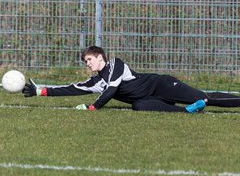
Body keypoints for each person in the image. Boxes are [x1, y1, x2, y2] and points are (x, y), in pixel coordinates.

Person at [22, 45, 240, 113]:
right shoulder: (95, 81)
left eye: (89, 59)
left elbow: (111, 90)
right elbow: (71, 88)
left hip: (161, 85)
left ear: (100, 57)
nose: (87, 64)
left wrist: (94, 107)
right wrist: (40, 90)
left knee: (207, 97)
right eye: (85, 61)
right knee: (138, 106)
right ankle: (188, 111)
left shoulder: (116, 64)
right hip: (151, 99)